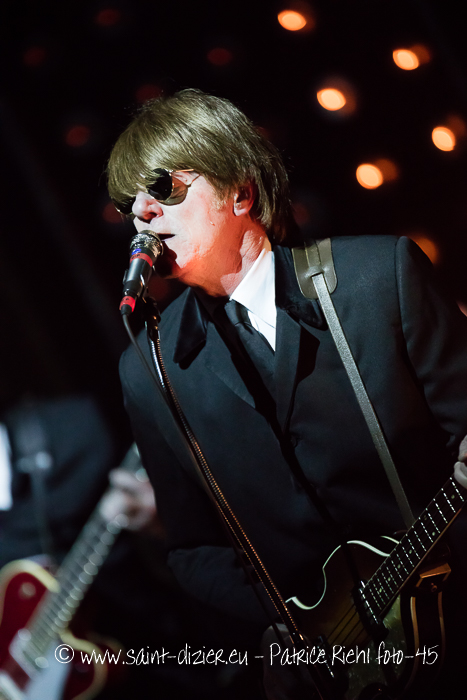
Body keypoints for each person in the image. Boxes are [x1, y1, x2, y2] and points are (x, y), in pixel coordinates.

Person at [107, 88, 467, 699]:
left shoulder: (378, 279)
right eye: (128, 203)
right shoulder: (150, 370)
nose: (142, 212)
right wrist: (294, 622)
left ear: (240, 193)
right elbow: (193, 550)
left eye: (163, 187)